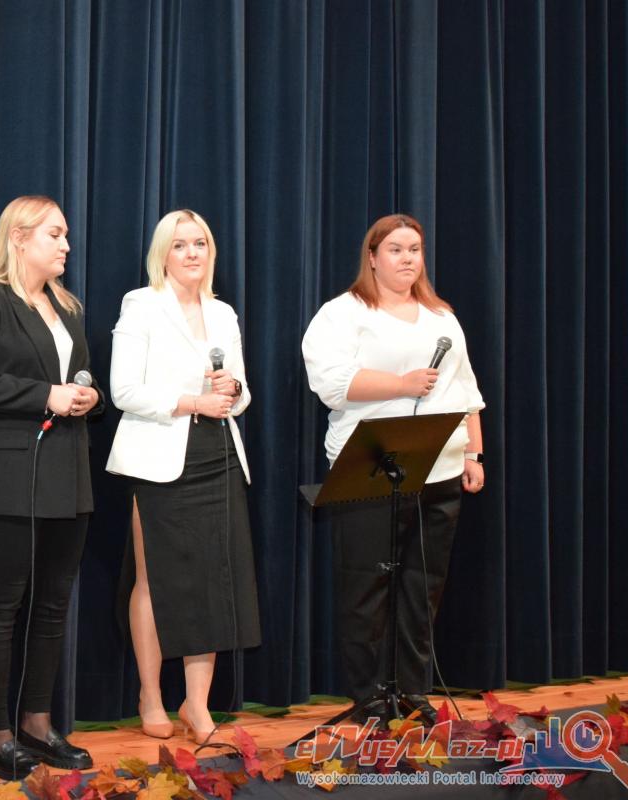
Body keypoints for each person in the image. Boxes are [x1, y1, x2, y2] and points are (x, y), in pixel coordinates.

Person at [301, 213, 485, 722]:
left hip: (439, 467)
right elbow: (331, 383)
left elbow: (466, 389)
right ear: (373, 257)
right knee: (367, 586)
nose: (408, 259)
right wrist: (400, 385)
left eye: (415, 250)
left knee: (422, 588)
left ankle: (412, 691)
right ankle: (370, 696)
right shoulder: (343, 313)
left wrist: (473, 453)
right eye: (396, 250)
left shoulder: (441, 317)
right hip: (371, 467)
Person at [0, 196, 103, 779]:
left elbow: (79, 381)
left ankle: (37, 725)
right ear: (19, 238)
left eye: (66, 235)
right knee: (0, 607)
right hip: (7, 477)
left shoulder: (66, 307)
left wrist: (90, 397)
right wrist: (46, 396)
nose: (66, 245)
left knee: (52, 605)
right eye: (55, 234)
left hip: (68, 474)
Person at [106, 209, 261, 743]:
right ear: (163, 254)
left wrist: (232, 391)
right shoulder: (141, 304)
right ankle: (150, 696)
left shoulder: (223, 312)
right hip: (160, 456)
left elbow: (242, 392)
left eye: (200, 243)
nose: (192, 253)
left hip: (218, 452)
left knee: (214, 580)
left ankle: (196, 705)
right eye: (180, 244)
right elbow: (124, 390)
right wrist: (193, 401)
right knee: (155, 579)